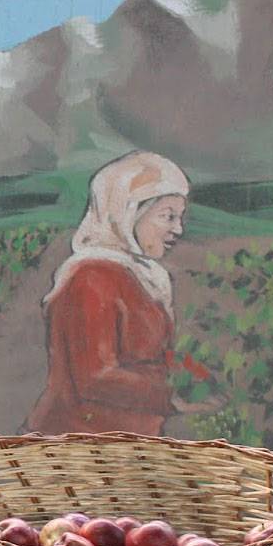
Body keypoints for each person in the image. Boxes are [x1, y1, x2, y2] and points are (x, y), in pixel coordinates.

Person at [26, 151, 216, 436]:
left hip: (129, 446)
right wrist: (172, 394)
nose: (178, 229)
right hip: (78, 448)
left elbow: (152, 357)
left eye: (180, 217)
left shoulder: (143, 277)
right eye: (167, 216)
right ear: (129, 214)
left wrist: (197, 375)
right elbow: (95, 378)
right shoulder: (90, 279)